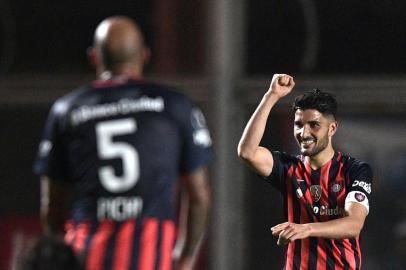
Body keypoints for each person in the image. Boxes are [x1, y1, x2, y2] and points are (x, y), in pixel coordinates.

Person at [33, 16, 212, 270]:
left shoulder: (67, 110)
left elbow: (52, 205)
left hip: (86, 256)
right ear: (145, 55)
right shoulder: (175, 106)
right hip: (152, 257)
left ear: (94, 57)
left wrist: (64, 256)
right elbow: (199, 196)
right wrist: (185, 258)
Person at [237, 74, 372, 270]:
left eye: (314, 125)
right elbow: (247, 152)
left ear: (332, 128)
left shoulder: (355, 170)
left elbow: (354, 224)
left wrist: (306, 229)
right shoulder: (289, 168)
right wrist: (271, 95)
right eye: (298, 125)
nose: (304, 133)